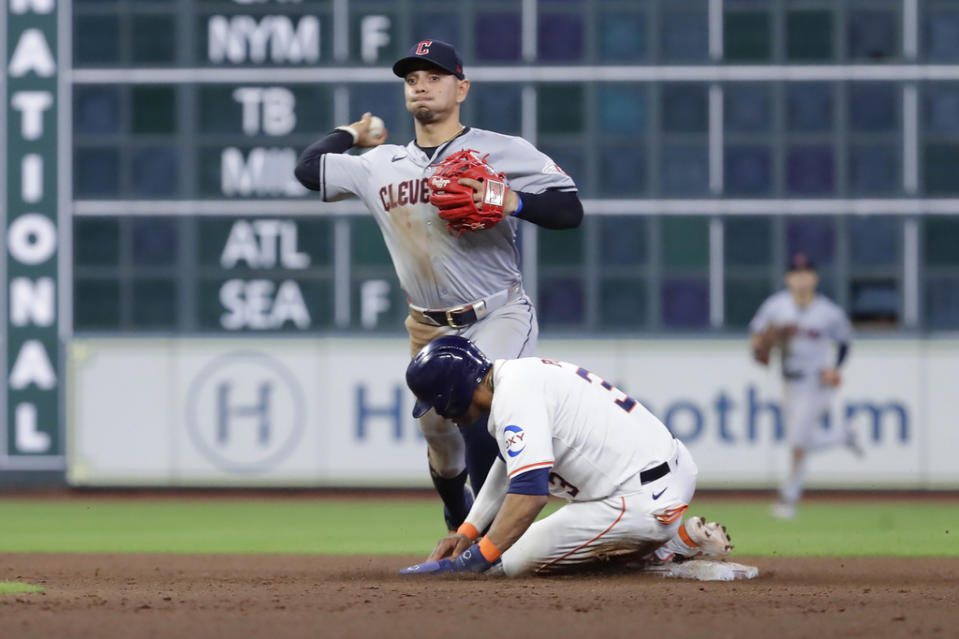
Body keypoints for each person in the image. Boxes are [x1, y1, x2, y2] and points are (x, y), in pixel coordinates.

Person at [293, 39, 583, 533]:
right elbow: (307, 169)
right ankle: (458, 514)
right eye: (412, 80)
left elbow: (568, 210)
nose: (421, 86)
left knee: (476, 402)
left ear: (461, 87)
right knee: (437, 434)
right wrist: (352, 132)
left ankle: (489, 540)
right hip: (427, 325)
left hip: (498, 311)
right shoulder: (378, 164)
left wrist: (506, 197)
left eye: (434, 76)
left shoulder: (501, 149)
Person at [398, 335, 733, 577]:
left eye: (437, 403)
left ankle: (666, 546)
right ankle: (664, 538)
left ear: (453, 393)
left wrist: (477, 558)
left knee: (509, 561)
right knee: (497, 546)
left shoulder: (514, 397)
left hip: (642, 501)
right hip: (665, 475)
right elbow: (508, 466)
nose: (440, 414)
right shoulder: (517, 379)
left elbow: (530, 495)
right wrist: (467, 533)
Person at [749, 252, 859, 520]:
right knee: (800, 441)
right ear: (788, 278)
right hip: (789, 382)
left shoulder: (828, 311)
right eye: (796, 273)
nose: (801, 278)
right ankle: (843, 436)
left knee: (798, 442)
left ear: (814, 277)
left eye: (806, 273)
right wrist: (763, 343)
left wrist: (835, 367)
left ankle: (789, 500)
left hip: (816, 381)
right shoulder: (776, 306)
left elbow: (845, 341)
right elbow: (755, 337)